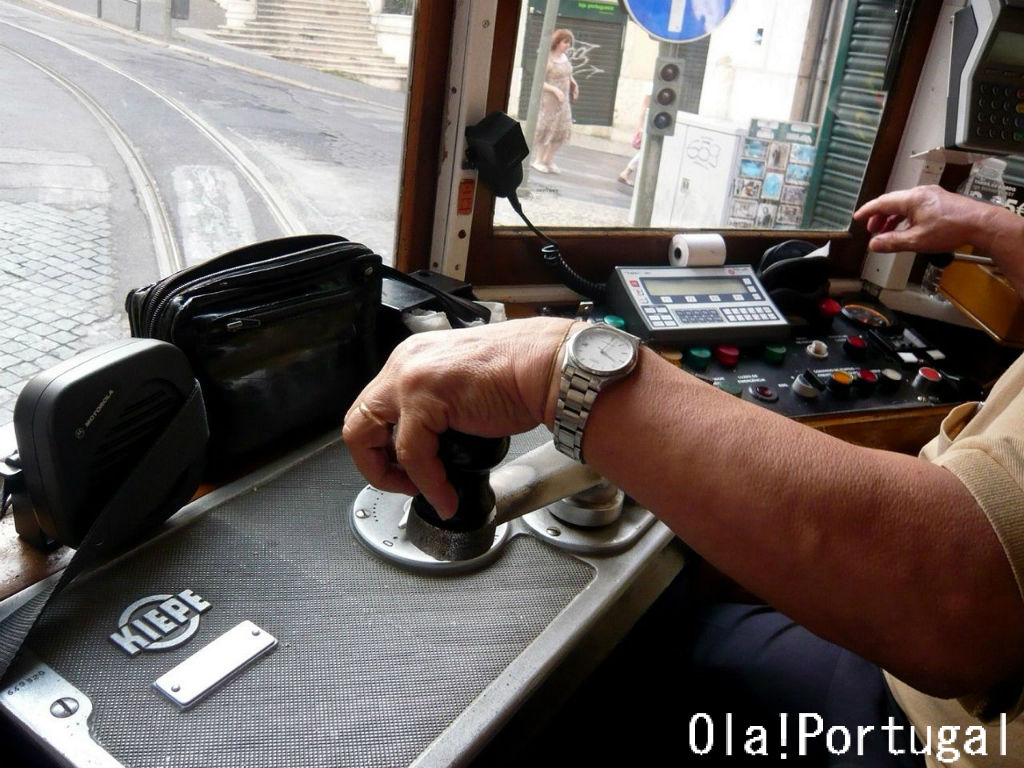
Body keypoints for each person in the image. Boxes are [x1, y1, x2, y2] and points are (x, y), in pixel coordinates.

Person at [343, 185, 1024, 766]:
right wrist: (997, 229)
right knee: (671, 632)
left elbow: (960, 601)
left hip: (947, 738)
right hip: (904, 679)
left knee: (624, 676)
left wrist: (554, 367)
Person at [531, 29, 578, 175]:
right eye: (565, 42)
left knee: (562, 130)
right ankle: (538, 160)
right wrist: (555, 90)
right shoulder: (548, 60)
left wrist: (574, 85)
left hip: (564, 100)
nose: (568, 45)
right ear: (557, 42)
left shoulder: (564, 58)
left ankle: (548, 159)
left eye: (569, 43)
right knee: (547, 129)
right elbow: (539, 81)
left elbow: (568, 74)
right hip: (550, 100)